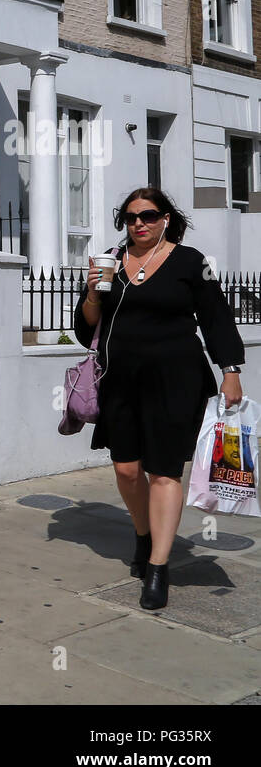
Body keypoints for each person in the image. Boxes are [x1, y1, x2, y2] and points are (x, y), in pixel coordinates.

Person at [74, 186, 244, 611]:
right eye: (131, 217)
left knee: (164, 472)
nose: (139, 224)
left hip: (176, 381)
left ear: (166, 218)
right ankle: (144, 533)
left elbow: (216, 317)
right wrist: (94, 292)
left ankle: (158, 568)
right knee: (127, 470)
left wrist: (231, 371)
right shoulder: (111, 260)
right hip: (120, 381)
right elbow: (86, 325)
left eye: (148, 216)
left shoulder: (190, 262)